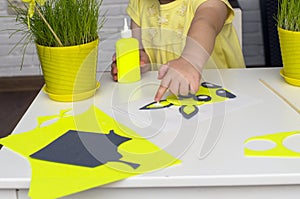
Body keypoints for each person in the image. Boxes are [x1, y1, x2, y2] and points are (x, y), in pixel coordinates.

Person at [111, 0, 245, 102]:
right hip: (168, 98)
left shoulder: (209, 4)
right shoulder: (139, 4)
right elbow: (142, 52)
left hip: (224, 94)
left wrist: (190, 60)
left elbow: (206, 22)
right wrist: (136, 62)